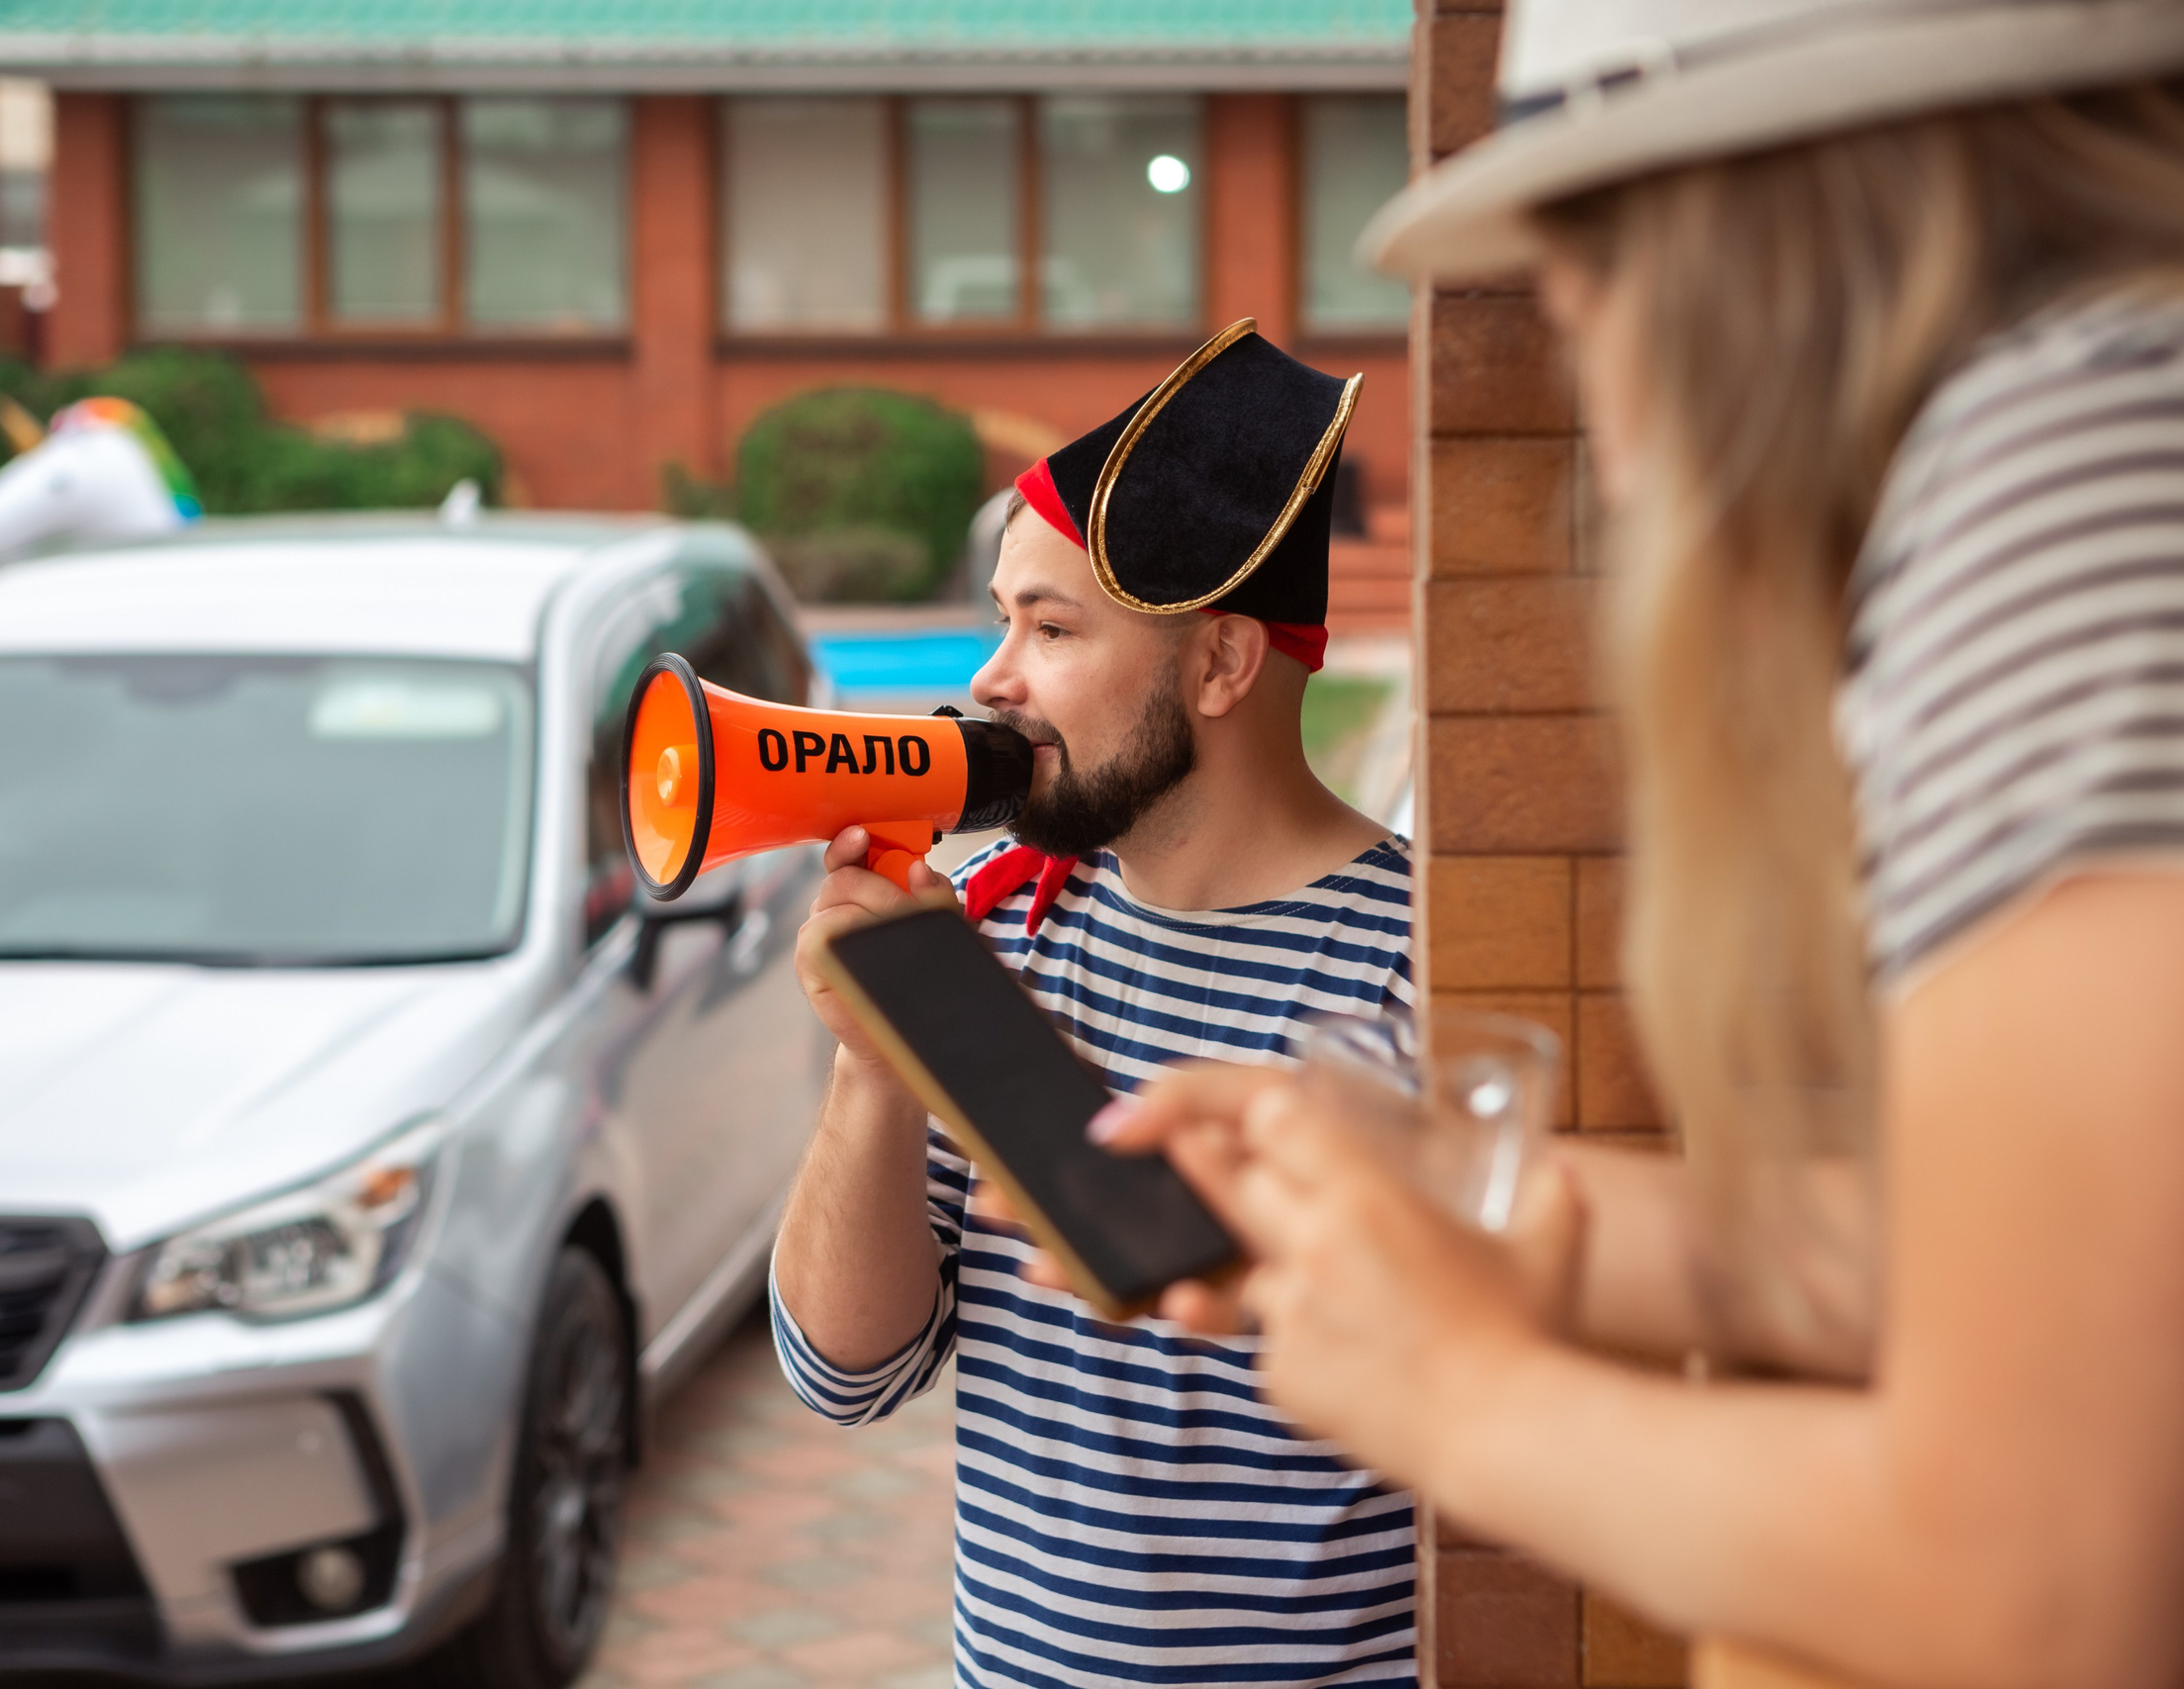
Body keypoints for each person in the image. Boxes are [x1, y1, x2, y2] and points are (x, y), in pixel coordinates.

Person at [1092, 5, 2184, 1687]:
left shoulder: (2063, 479)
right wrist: (1467, 1193)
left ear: (1749, 247)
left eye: (1583, 290)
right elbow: (2002, 1284)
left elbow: (2040, 1580)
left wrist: (1451, 1390)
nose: (1598, 401)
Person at [770, 324, 1422, 1686]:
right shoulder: (1000, 925)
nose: (992, 680)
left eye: (1052, 628)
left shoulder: (1417, 972)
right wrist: (876, 1060)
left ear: (1223, 665)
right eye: (1002, 619)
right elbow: (846, 1373)